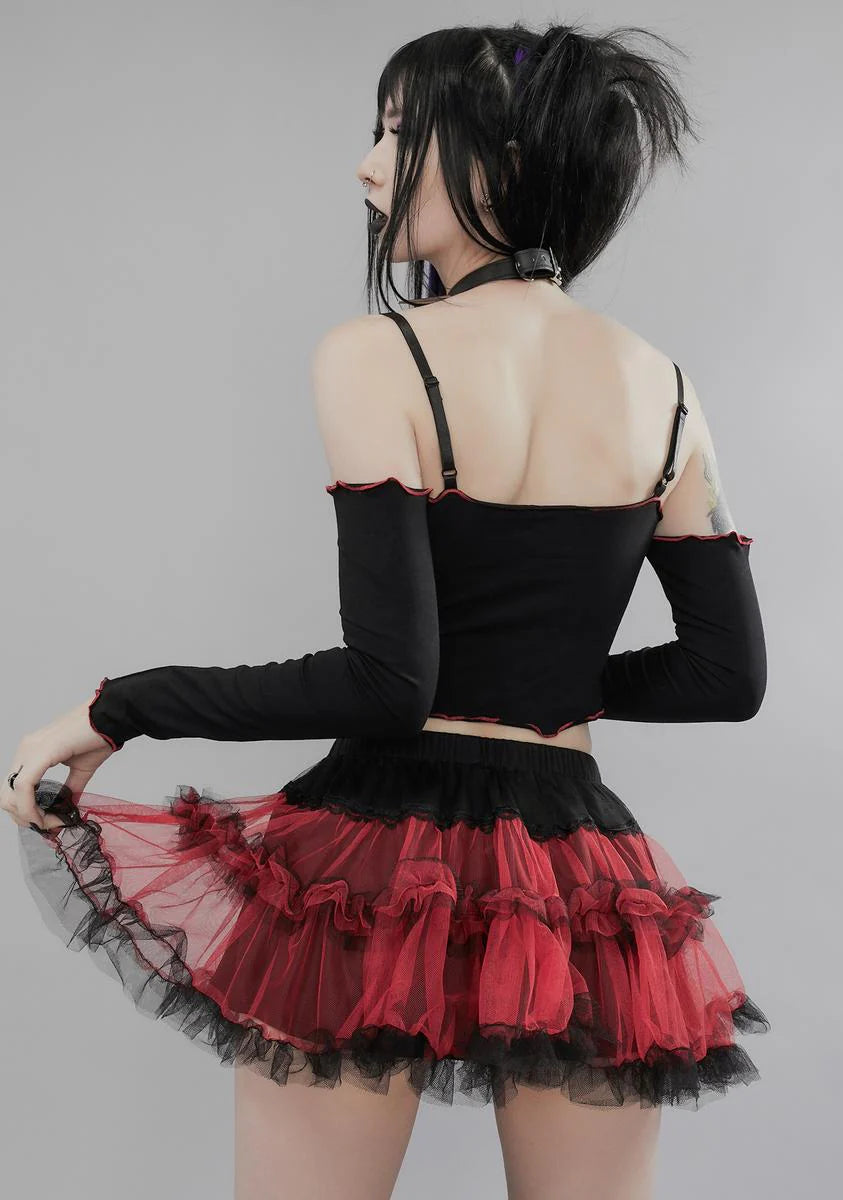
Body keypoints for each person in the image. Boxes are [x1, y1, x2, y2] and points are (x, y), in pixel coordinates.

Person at [3, 19, 770, 1200]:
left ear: (501, 164)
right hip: (576, 878)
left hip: (370, 862)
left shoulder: (378, 355)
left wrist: (122, 707)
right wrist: (544, 685)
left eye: (400, 133)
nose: (368, 167)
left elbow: (389, 684)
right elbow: (728, 676)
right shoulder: (665, 388)